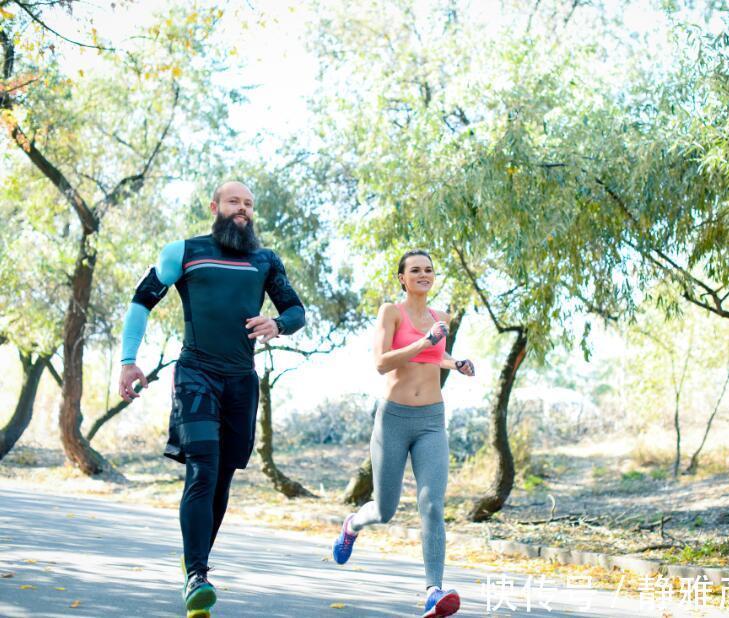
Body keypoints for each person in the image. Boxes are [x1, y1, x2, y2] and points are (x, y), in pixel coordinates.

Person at [117, 181, 305, 618]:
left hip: (241, 381)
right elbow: (142, 301)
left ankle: (194, 563)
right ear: (215, 206)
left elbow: (296, 310)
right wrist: (129, 361)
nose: (243, 209)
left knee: (221, 477)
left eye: (249, 204)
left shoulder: (264, 260)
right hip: (196, 374)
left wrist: (278, 324)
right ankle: (197, 576)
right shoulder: (183, 251)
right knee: (202, 469)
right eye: (235, 202)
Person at [332, 249, 475, 617]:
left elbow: (431, 358)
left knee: (431, 503)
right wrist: (425, 341)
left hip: (432, 420)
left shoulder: (441, 317)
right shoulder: (390, 312)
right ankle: (352, 524)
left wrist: (453, 362)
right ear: (402, 277)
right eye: (416, 270)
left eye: (429, 269)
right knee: (384, 508)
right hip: (393, 418)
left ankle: (434, 591)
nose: (424, 274)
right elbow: (382, 362)